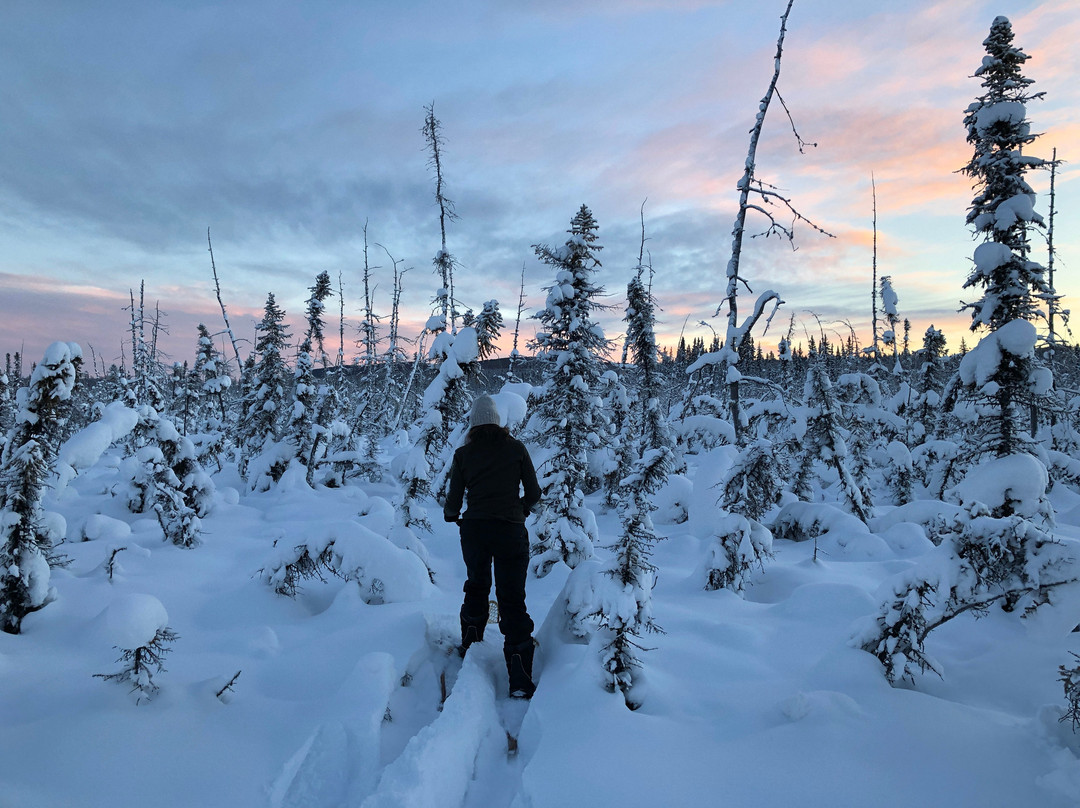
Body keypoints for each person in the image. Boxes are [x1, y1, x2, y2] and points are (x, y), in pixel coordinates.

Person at [444, 394, 542, 698]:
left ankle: (470, 644)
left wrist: (453, 517)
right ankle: (520, 678)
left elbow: (453, 500)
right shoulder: (516, 449)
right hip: (511, 531)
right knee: (512, 597)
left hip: (474, 530)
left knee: (477, 584)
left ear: (474, 424)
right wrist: (521, 510)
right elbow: (535, 492)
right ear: (498, 422)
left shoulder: (463, 454)